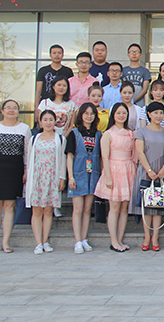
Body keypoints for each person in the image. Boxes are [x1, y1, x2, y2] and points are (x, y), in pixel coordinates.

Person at [0, 100, 32, 254]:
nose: (11, 110)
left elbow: (27, 153)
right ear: (2, 111)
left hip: (15, 170)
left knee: (10, 206)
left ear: (18, 111)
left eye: (14, 108)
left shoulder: (24, 128)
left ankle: (6, 242)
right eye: (8, 108)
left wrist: (26, 171)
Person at [94, 103, 137, 252]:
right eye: (118, 113)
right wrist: (108, 177)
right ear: (113, 115)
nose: (121, 116)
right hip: (114, 169)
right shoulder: (108, 134)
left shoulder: (130, 133)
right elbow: (104, 157)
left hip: (128, 169)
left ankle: (120, 239)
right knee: (114, 207)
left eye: (124, 113)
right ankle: (113, 241)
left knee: (124, 208)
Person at [131, 102, 164, 252]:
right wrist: (149, 170)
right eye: (155, 113)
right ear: (149, 114)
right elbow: (140, 152)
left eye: (161, 113)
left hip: (161, 171)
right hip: (146, 170)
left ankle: (156, 236)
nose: (158, 116)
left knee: (158, 205)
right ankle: (147, 236)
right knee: (147, 205)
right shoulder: (141, 132)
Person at [26, 110, 67, 255]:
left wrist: (62, 178)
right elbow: (29, 159)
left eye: (51, 119)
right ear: (40, 122)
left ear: (55, 121)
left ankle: (45, 241)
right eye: (45, 119)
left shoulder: (60, 139)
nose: (48, 122)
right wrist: (27, 176)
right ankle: (38, 243)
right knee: (37, 210)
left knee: (49, 210)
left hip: (52, 177)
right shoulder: (34, 139)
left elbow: (62, 160)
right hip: (37, 176)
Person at [65, 102, 101, 254]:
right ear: (81, 115)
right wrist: (70, 176)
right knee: (78, 209)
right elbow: (69, 156)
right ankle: (77, 240)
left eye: (91, 114)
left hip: (93, 175)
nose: (89, 116)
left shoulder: (98, 134)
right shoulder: (74, 133)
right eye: (86, 113)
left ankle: (84, 238)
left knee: (87, 209)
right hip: (78, 174)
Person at [35, 44, 74, 119]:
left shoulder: (68, 71)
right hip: (47, 105)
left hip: (63, 105)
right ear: (50, 55)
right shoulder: (43, 70)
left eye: (59, 53)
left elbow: (70, 89)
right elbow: (38, 91)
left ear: (63, 55)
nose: (57, 55)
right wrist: (36, 108)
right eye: (54, 53)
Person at [122, 43, 151, 107]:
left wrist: (132, 101)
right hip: (125, 104)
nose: (134, 54)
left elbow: (145, 90)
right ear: (128, 55)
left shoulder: (145, 71)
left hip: (139, 104)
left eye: (137, 52)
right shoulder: (123, 70)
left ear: (140, 55)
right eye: (132, 52)